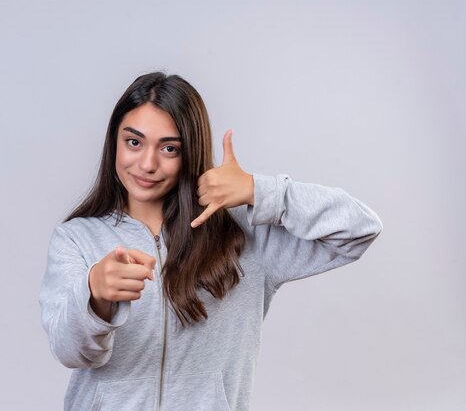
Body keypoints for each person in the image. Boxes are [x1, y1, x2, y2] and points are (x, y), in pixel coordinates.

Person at [39, 72, 382, 410]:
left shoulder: (244, 235)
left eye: (169, 148)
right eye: (134, 142)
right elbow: (71, 352)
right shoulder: (77, 238)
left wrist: (257, 190)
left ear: (190, 152)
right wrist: (95, 294)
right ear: (114, 141)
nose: (147, 163)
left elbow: (359, 229)